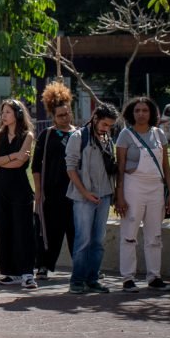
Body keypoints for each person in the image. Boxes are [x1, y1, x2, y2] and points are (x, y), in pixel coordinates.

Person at [116, 97, 170, 292]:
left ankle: (154, 276)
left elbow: (166, 166)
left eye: (145, 110)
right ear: (131, 114)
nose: (141, 114)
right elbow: (120, 168)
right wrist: (120, 196)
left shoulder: (159, 135)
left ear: (151, 113)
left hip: (156, 189)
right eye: (137, 110)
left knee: (154, 235)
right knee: (129, 233)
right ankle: (127, 278)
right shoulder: (125, 135)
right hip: (133, 187)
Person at [65, 102, 119, 294]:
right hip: (83, 197)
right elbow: (70, 169)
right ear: (95, 118)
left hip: (104, 195)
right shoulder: (78, 137)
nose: (107, 128)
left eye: (110, 126)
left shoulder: (107, 139)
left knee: (98, 240)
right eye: (105, 124)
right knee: (83, 239)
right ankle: (77, 280)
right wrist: (85, 193)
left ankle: (93, 278)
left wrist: (114, 195)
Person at [32, 82, 76, 280]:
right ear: (53, 116)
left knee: (77, 231)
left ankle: (82, 266)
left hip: (76, 192)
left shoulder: (79, 134)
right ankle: (43, 265)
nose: (65, 118)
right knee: (49, 231)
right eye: (60, 115)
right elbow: (35, 165)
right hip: (52, 192)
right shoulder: (47, 135)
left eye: (67, 114)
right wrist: (39, 192)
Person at [0, 99, 37, 289]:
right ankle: (10, 272)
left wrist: (9, 160)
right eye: (3, 112)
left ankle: (27, 273)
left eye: (8, 112)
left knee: (23, 229)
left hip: (20, 185)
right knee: (4, 227)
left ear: (18, 114)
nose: (4, 116)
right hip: (1, 185)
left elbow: (21, 163)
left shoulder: (27, 135)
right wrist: (12, 156)